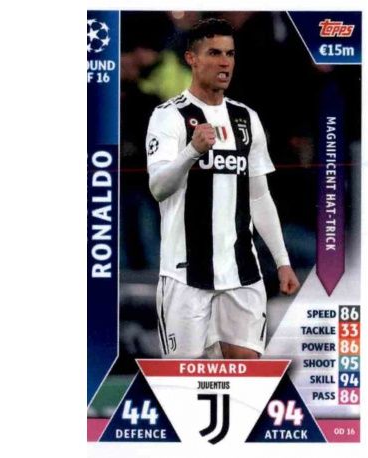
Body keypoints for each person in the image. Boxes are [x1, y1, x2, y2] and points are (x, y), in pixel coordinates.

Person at [145, 18, 300, 359]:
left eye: (230, 54)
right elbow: (158, 187)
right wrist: (192, 151)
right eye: (214, 53)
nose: (224, 62)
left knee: (246, 375)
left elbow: (259, 195)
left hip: (242, 273)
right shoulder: (168, 116)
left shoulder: (246, 118)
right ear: (192, 58)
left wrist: (282, 261)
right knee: (185, 381)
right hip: (185, 274)